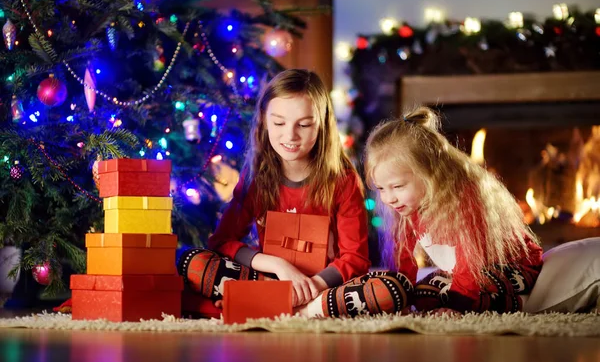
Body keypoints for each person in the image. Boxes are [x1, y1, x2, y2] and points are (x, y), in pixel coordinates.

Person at [177, 69, 371, 309]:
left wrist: (312, 286)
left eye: (305, 124)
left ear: (322, 123)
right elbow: (222, 241)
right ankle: (274, 302)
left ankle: (271, 305)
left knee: (390, 289)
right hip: (268, 279)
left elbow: (356, 257)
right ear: (264, 120)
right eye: (279, 122)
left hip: (323, 289)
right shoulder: (258, 175)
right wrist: (278, 266)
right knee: (190, 261)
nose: (291, 135)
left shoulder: (342, 179)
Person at [361, 106, 543, 314]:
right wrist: (401, 296)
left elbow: (470, 264)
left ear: (428, 173)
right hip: (466, 270)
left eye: (397, 187)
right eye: (381, 189)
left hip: (514, 268)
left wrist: (455, 307)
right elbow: (404, 257)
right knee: (424, 296)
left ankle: (518, 304)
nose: (388, 198)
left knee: (466, 295)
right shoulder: (407, 205)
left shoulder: (464, 198)